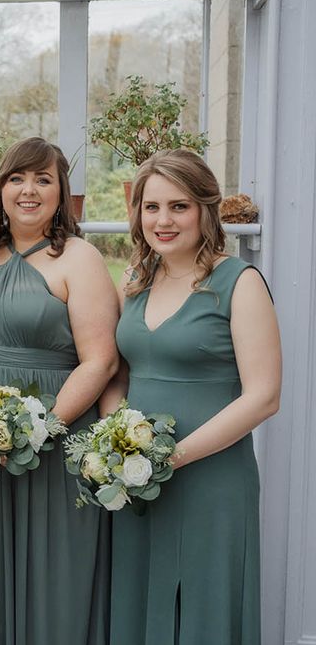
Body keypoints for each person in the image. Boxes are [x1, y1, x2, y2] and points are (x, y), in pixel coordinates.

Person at [100, 149, 281, 645]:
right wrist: (117, 444)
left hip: (212, 479)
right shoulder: (134, 282)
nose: (163, 220)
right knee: (139, 601)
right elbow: (118, 375)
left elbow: (264, 396)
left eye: (178, 206)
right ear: (137, 213)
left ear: (206, 209)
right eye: (151, 206)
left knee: (205, 607)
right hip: (137, 479)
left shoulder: (239, 282)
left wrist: (170, 458)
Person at [0, 136, 119, 645]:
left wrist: (38, 432)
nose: (29, 190)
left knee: (54, 568)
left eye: (43, 179)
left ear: (61, 192)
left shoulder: (79, 257)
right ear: (1, 187)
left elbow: (101, 360)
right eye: (17, 178)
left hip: (54, 433)